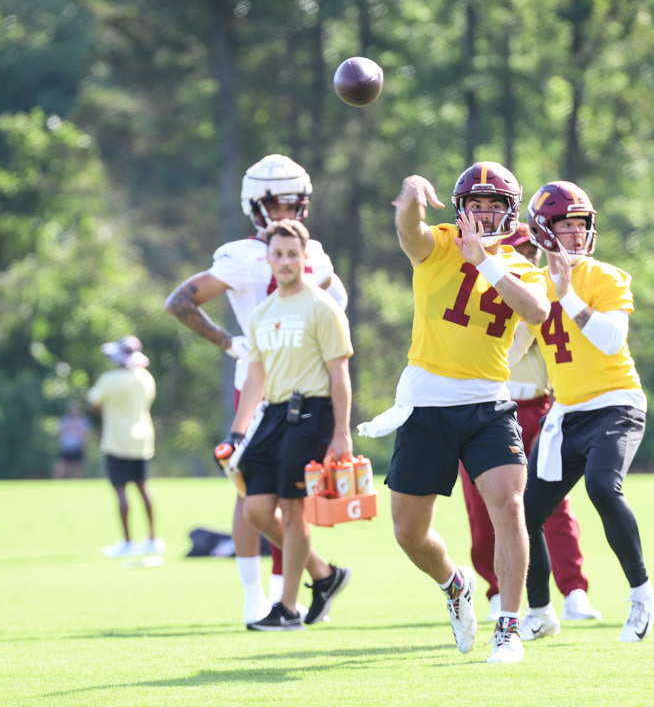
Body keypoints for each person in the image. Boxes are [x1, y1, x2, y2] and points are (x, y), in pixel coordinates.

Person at [358, 162, 550, 664]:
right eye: (475, 204)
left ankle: (507, 628)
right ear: (460, 207)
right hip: (426, 404)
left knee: (509, 505)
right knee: (408, 532)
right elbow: (409, 234)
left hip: (487, 403)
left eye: (494, 205)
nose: (484, 214)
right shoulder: (440, 243)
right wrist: (411, 197)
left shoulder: (519, 264)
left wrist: (485, 261)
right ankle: (454, 583)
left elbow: (536, 312)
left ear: (509, 212)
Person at [164, 154, 348, 627]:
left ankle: (290, 599)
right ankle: (264, 595)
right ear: (256, 206)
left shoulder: (317, 254)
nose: (285, 213)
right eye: (276, 203)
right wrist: (230, 344)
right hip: (259, 388)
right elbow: (179, 301)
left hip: (307, 394)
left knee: (292, 501)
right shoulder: (243, 256)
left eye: (293, 203)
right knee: (251, 498)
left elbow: (334, 309)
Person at [518, 181, 654, 644]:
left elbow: (609, 339)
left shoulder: (605, 276)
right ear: (544, 231)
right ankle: (539, 610)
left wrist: (568, 296)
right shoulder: (533, 288)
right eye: (566, 227)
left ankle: (642, 594)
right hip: (567, 413)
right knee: (525, 512)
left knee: (602, 486)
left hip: (616, 403)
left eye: (581, 227)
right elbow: (512, 349)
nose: (576, 237)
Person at [458, 224, 601, 624]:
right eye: (519, 250)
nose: (527, 258)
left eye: (532, 251)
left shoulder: (546, 292)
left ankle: (573, 590)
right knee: (484, 507)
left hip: (538, 408)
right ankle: (496, 590)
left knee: (554, 506)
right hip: (488, 410)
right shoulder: (484, 287)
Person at [226, 219, 353, 631]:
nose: (285, 261)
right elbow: (255, 380)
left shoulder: (321, 306)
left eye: (292, 254)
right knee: (258, 510)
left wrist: (341, 432)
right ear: (268, 259)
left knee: (294, 510)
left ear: (304, 258)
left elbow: (339, 375)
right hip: (274, 416)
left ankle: (287, 607)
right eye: (277, 254)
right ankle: (324, 574)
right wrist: (237, 433)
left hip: (313, 414)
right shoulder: (262, 313)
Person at [87, 336, 163, 557]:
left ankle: (128, 542)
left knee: (121, 490)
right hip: (143, 440)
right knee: (143, 488)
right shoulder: (146, 377)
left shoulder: (109, 379)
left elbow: (93, 403)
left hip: (117, 442)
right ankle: (152, 539)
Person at [53, 401, 91, 480]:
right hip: (65, 447)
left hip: (77, 446)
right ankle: (57, 482)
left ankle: (76, 483)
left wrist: (85, 445)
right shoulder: (64, 420)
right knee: (61, 466)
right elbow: (58, 433)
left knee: (76, 468)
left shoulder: (83, 420)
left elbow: (86, 434)